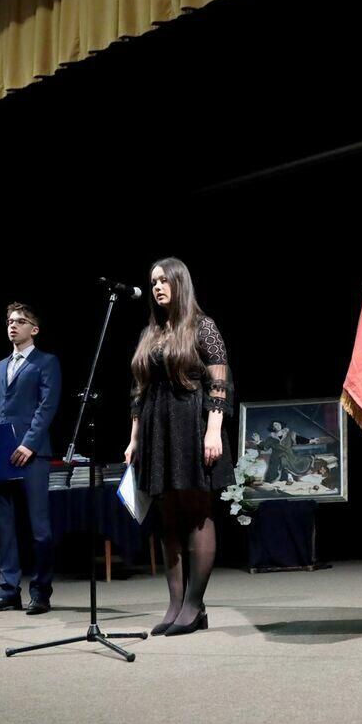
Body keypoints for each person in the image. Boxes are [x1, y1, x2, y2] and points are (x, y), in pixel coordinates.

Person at [126, 257, 233, 637]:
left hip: (191, 424)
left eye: (164, 280)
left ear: (179, 283)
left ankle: (194, 605)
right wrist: (134, 438)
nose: (157, 287)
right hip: (157, 428)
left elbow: (219, 381)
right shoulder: (150, 333)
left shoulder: (202, 326)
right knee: (167, 516)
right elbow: (138, 389)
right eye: (153, 281)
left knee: (196, 511)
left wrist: (213, 431)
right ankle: (175, 605)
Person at [0, 302, 62, 615]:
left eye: (20, 321)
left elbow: (46, 407)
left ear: (34, 329)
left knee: (39, 528)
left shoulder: (46, 362)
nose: (13, 325)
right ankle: (8, 591)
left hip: (32, 455)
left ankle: (41, 592)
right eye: (10, 321)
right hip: (0, 456)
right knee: (5, 528)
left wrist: (29, 444)